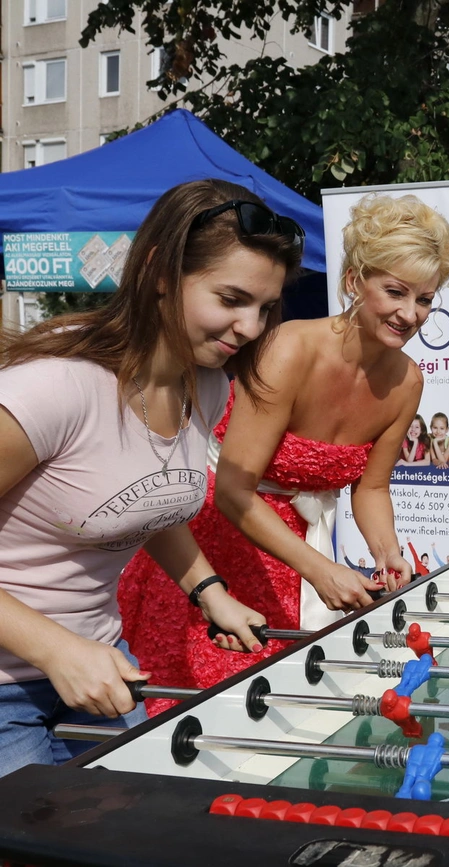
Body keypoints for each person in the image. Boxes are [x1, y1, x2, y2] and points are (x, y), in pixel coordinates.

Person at [118, 192, 449, 712]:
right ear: (353, 282)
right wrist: (320, 571)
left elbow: (370, 486)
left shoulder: (408, 380)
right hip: (218, 540)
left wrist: (388, 553)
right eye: (395, 291)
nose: (410, 313)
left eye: (426, 299)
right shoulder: (288, 349)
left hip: (301, 554)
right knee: (202, 711)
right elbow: (234, 490)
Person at [0, 179, 290, 775]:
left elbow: (144, 500)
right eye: (231, 298)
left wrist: (210, 594)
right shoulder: (55, 387)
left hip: (99, 663)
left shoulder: (207, 385)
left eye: (263, 308)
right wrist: (54, 649)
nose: (251, 327)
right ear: (160, 271)